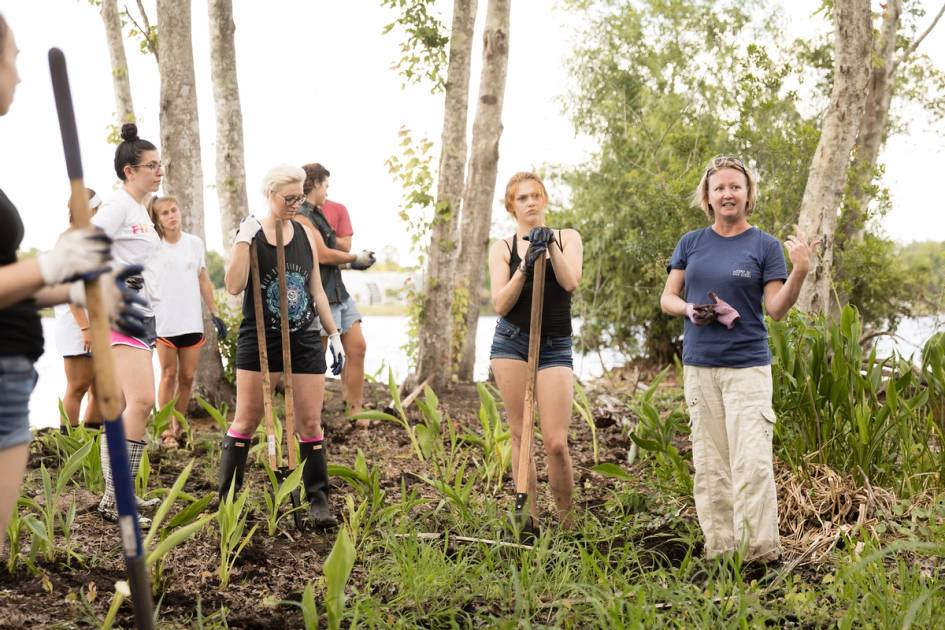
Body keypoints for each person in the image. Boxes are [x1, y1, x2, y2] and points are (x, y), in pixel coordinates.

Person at [0, 12, 145, 546]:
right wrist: (52, 264)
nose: (19, 73)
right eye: (12, 58)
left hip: (11, 374)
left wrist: (73, 287)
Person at [660, 155, 818, 563]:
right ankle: (720, 554)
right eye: (719, 188)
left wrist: (800, 270)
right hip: (699, 367)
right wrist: (689, 309)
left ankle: (760, 557)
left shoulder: (764, 246)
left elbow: (777, 310)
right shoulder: (690, 243)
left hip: (747, 368)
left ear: (748, 196)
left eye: (735, 186)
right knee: (711, 466)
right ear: (708, 197)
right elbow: (668, 297)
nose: (727, 193)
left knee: (751, 463)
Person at [219, 164, 346, 528]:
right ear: (270, 194)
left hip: (303, 338)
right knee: (246, 419)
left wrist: (333, 334)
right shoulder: (253, 234)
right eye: (289, 197)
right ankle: (227, 501)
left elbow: (316, 290)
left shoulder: (305, 234)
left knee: (309, 421)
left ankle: (317, 502)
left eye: (301, 196)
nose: (296, 203)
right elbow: (233, 284)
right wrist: (243, 239)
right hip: (260, 338)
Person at [488, 172, 584, 529]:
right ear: (512, 206)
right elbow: (500, 303)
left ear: (544, 200)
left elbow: (571, 281)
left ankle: (568, 522)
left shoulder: (567, 237)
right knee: (521, 433)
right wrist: (526, 266)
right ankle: (528, 520)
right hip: (512, 342)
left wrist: (550, 248)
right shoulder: (502, 247)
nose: (529, 202)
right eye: (522, 198)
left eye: (535, 196)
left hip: (554, 344)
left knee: (556, 442)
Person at [91, 122, 165, 523]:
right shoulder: (118, 206)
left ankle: (117, 496)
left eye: (160, 164)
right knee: (140, 401)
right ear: (129, 171)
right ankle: (117, 498)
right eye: (152, 165)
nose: (159, 170)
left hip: (142, 314)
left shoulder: (140, 210)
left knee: (127, 405)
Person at [295, 164, 375, 428]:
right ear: (315, 183)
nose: (327, 193)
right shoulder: (302, 216)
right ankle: (311, 418)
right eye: (326, 186)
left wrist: (350, 255)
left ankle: (355, 410)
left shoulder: (318, 214)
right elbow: (322, 255)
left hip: (338, 290)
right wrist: (354, 259)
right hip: (319, 295)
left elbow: (334, 250)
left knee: (358, 347)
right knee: (316, 358)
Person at [147, 195, 226, 449]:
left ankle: (179, 426)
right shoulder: (152, 246)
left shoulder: (194, 243)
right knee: (168, 375)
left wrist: (215, 312)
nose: (172, 216)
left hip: (191, 321)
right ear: (157, 220)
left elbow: (204, 280)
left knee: (188, 377)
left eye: (174, 210)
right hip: (164, 322)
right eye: (165, 213)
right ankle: (165, 431)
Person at [55, 188, 104, 430]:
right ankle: (69, 447)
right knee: (78, 386)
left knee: (102, 389)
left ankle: (90, 447)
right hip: (76, 321)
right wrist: (85, 327)